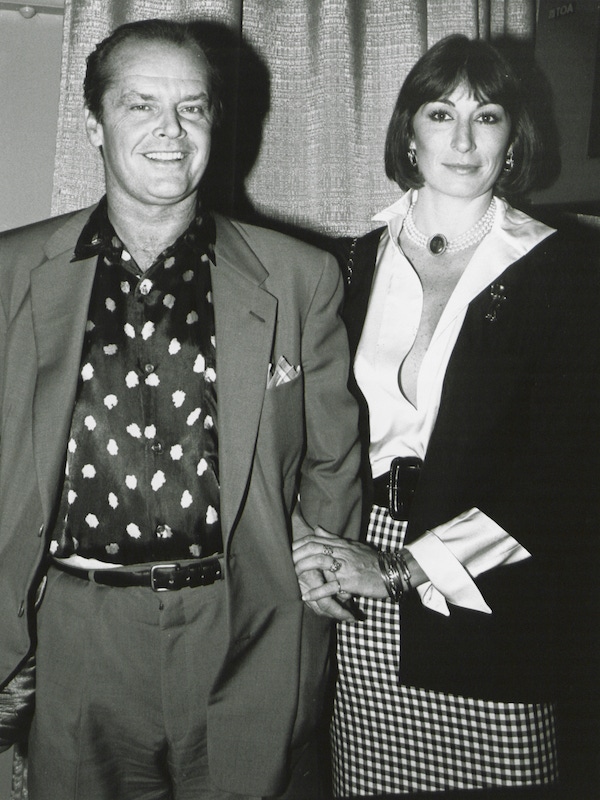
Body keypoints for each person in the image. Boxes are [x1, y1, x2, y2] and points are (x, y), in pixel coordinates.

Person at [0, 18, 363, 800]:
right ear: (94, 124)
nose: (171, 131)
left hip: (242, 626)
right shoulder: (11, 272)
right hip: (74, 631)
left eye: (192, 108)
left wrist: (317, 570)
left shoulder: (300, 276)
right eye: (140, 105)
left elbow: (333, 455)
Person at [293, 34, 600, 798]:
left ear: (513, 136)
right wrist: (311, 541)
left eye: (487, 115)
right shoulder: (350, 261)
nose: (463, 140)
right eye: (441, 113)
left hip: (497, 581)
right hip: (359, 567)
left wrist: (399, 569)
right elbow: (304, 424)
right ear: (409, 132)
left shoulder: (569, 269)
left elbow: (568, 471)